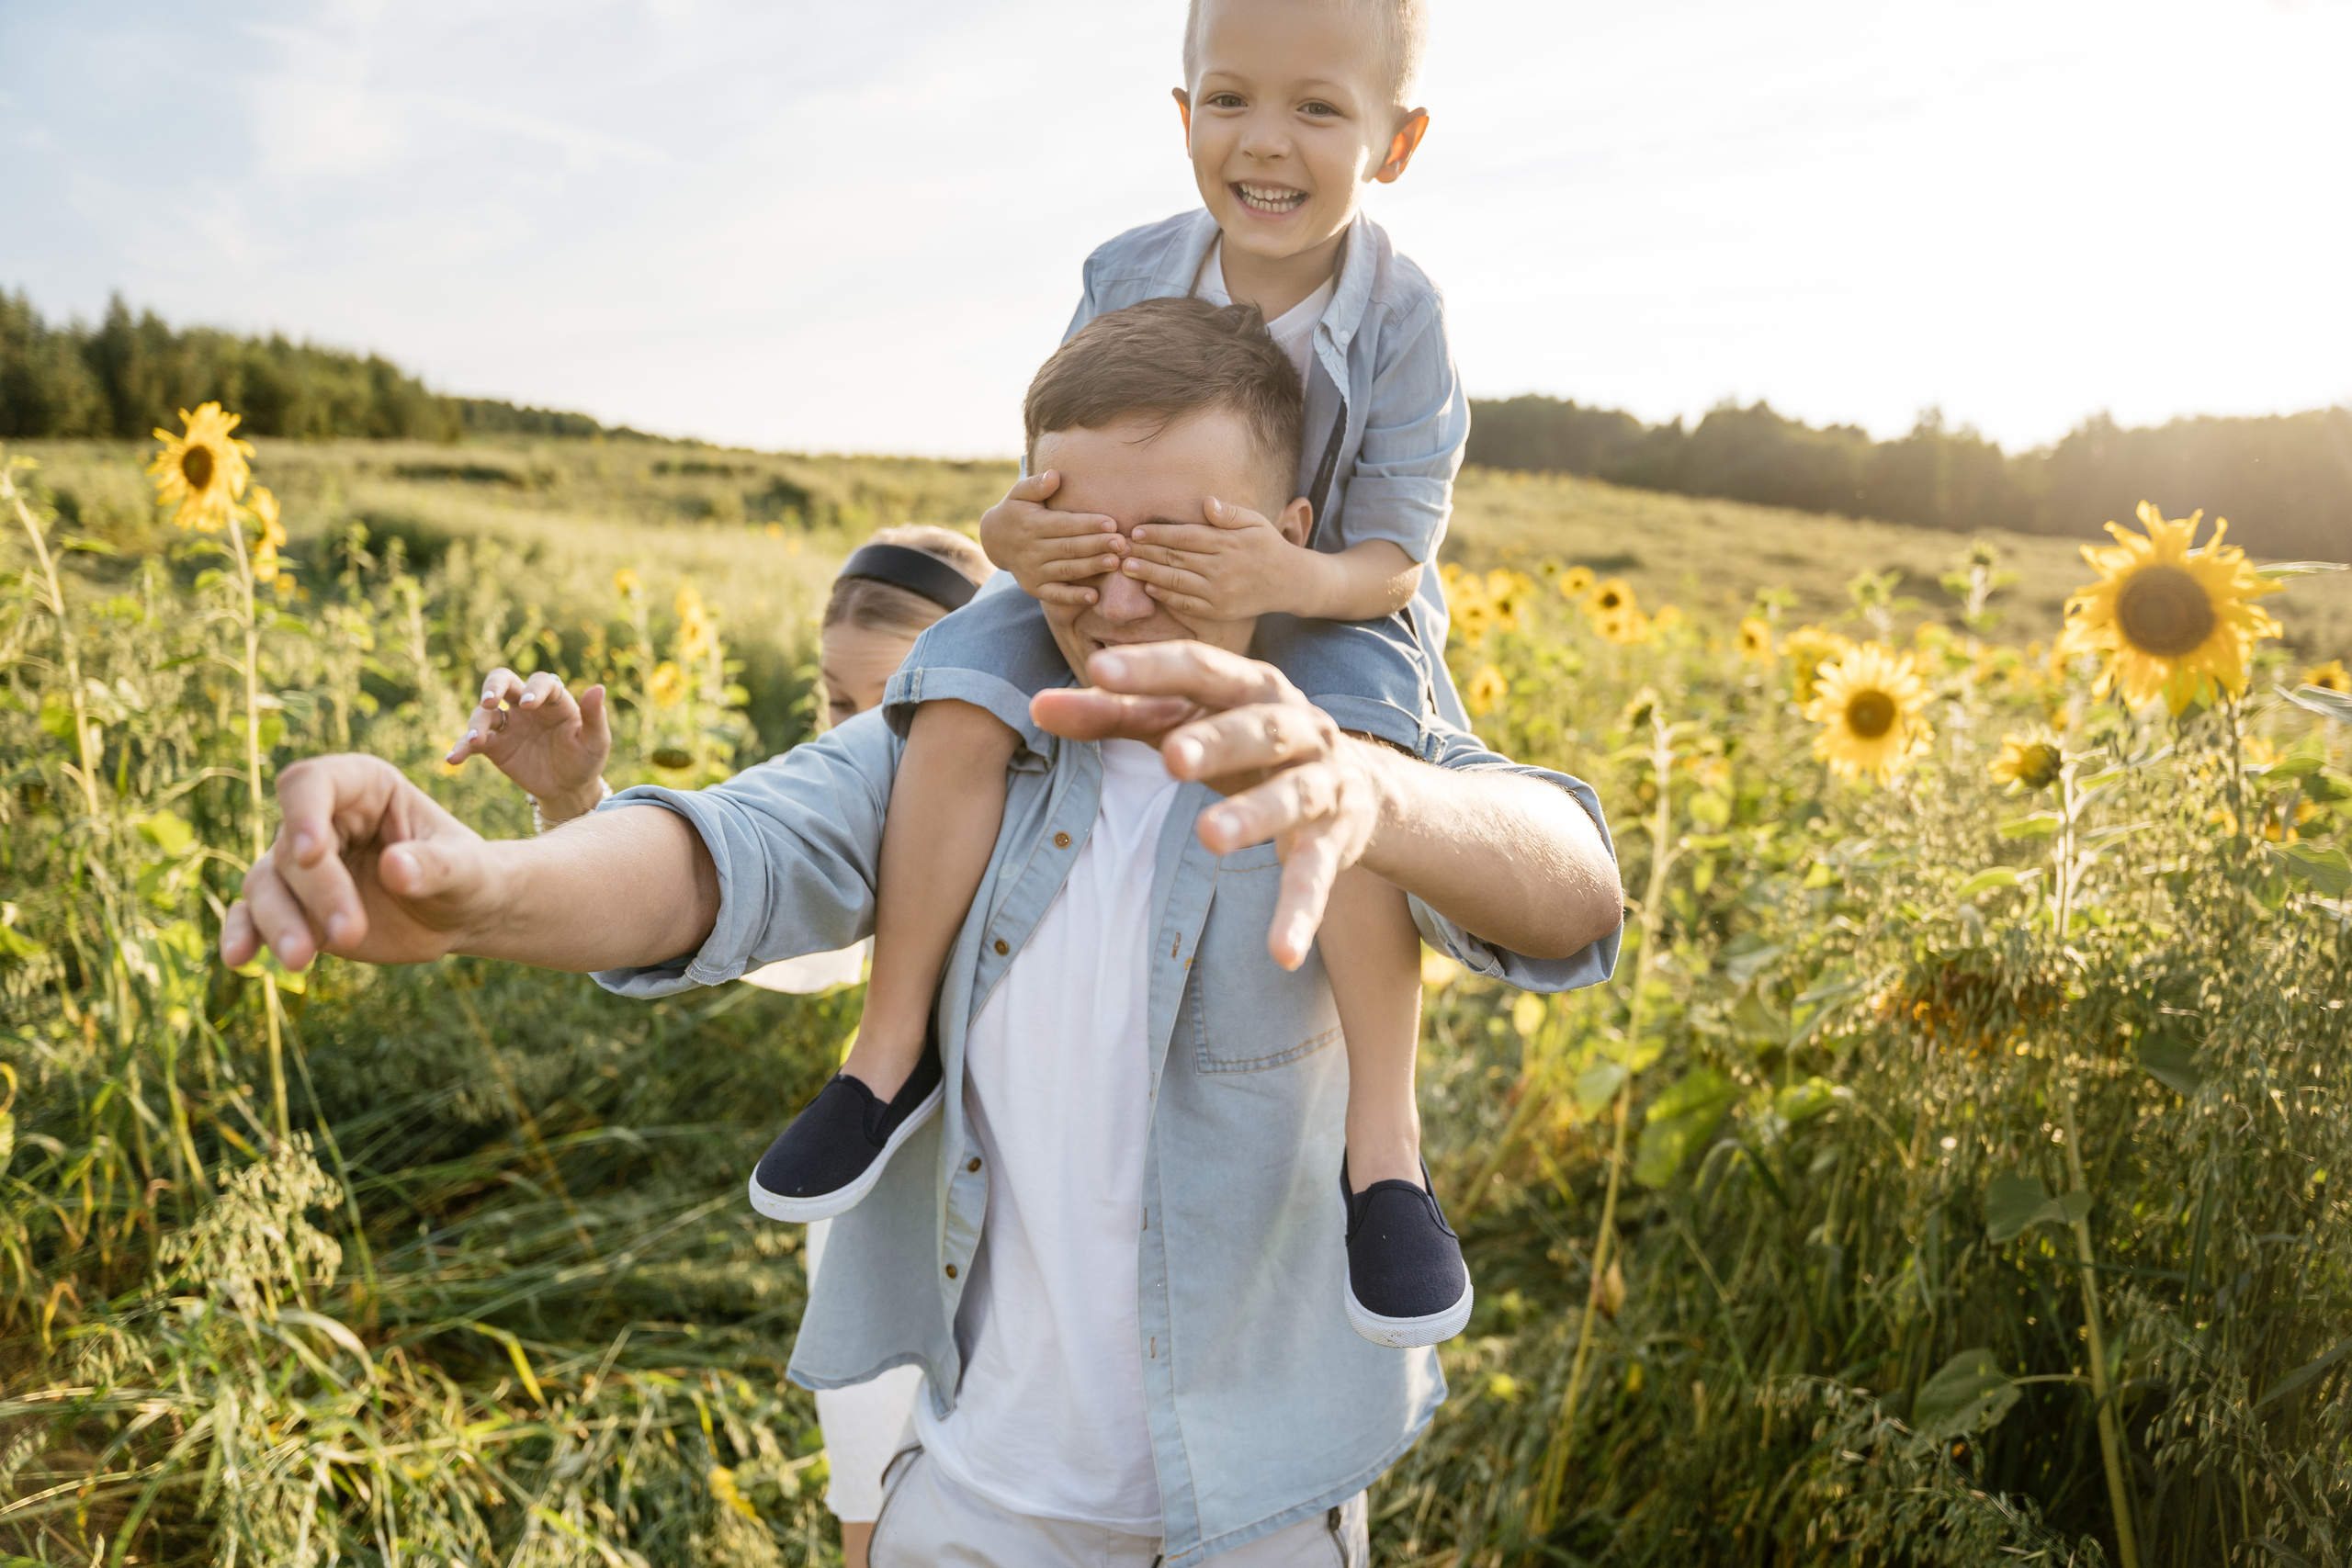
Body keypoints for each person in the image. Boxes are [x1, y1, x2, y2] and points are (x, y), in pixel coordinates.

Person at [225, 297, 1619, 1566]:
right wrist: (478, 887)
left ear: (1290, 532)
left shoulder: (1352, 738)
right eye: (1078, 548)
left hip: (1258, 1519)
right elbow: (733, 849)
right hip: (967, 1502)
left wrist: (1376, 794)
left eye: (1178, 545)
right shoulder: (955, 746)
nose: (1118, 598)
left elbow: (1575, 886)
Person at [752, 0, 1479, 1353]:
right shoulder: (1129, 265)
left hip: (1322, 583)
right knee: (961, 681)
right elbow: (1055, 452)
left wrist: (1280, 577)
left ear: (1397, 143)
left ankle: (1383, 1150)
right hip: (1116, 562)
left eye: (1319, 108)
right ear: (1184, 111)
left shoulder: (1403, 316)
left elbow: (1390, 557)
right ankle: (890, 1050)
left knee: (1355, 767)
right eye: (1230, 99)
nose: (1266, 141)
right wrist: (1014, 532)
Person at [443, 525, 990, 1566]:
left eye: (899, 713)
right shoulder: (855, 844)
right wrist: (574, 806)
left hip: (1022, 1266)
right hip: (877, 1239)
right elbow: (734, 913)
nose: (860, 745)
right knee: (874, 1524)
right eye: (837, 705)